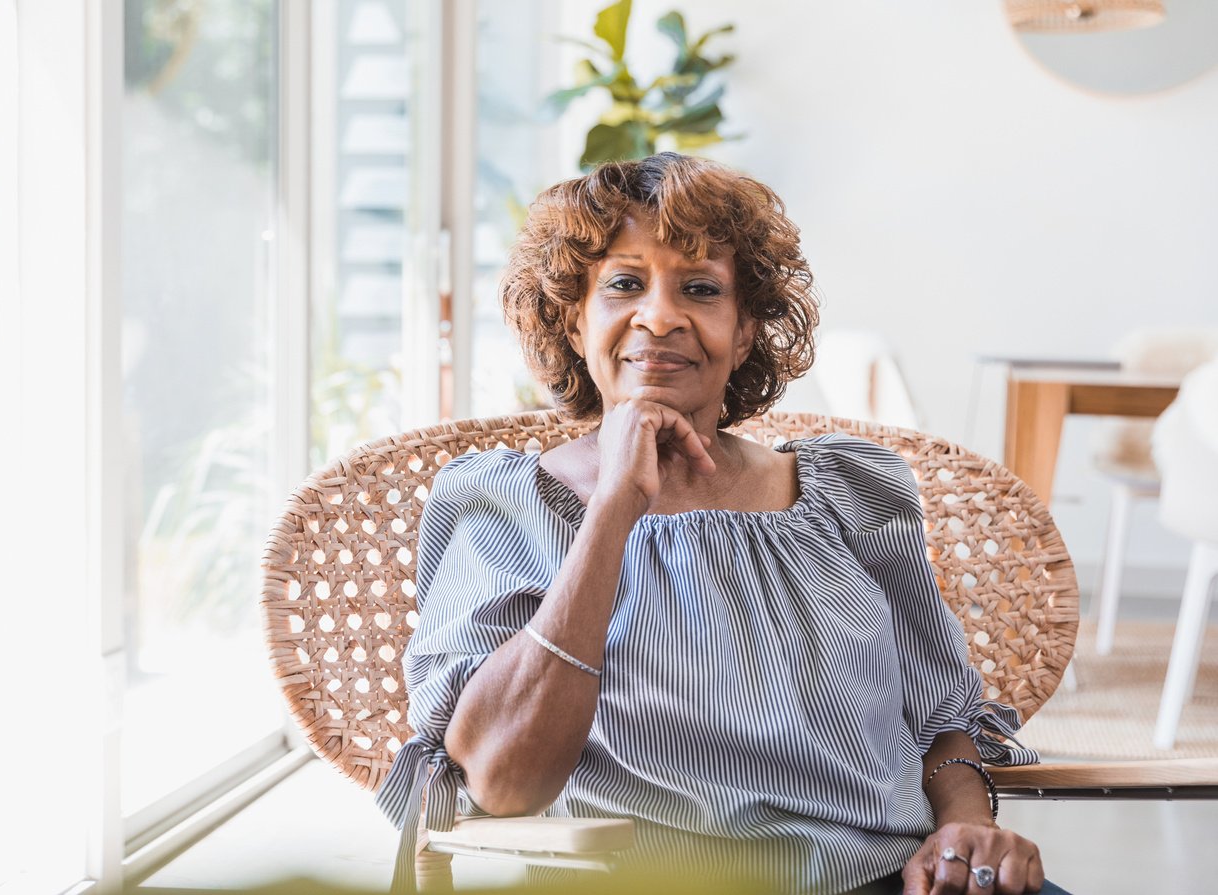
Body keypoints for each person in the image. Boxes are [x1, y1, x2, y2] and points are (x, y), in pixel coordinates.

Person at [376, 153, 1066, 895]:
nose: (660, 316)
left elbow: (940, 722)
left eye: (701, 289)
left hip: (884, 879)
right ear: (575, 322)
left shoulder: (852, 493)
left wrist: (966, 830)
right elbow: (503, 780)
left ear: (743, 334)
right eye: (624, 284)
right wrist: (613, 508)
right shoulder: (505, 506)